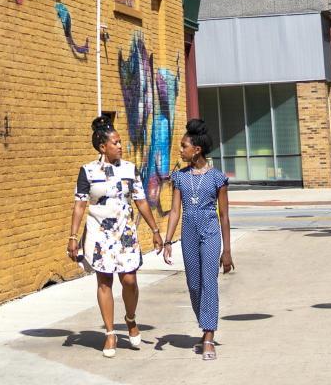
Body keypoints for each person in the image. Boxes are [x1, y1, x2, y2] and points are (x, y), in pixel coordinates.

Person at [68, 115, 164, 357]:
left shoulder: (130, 170)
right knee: (104, 281)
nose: (120, 146)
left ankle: (130, 319)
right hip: (99, 232)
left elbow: (141, 201)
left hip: (125, 232)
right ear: (103, 147)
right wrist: (73, 236)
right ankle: (110, 334)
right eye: (115, 143)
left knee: (129, 279)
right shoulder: (87, 171)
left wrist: (154, 230)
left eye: (120, 142)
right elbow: (79, 205)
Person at [162, 119, 234, 362]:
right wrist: (167, 241)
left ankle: (209, 336)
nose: (180, 151)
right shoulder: (180, 177)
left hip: (211, 230)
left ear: (197, 150)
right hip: (189, 232)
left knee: (209, 283)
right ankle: (204, 330)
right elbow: (174, 212)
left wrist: (227, 251)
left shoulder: (217, 178)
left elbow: (224, 215)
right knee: (193, 284)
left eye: (184, 147)